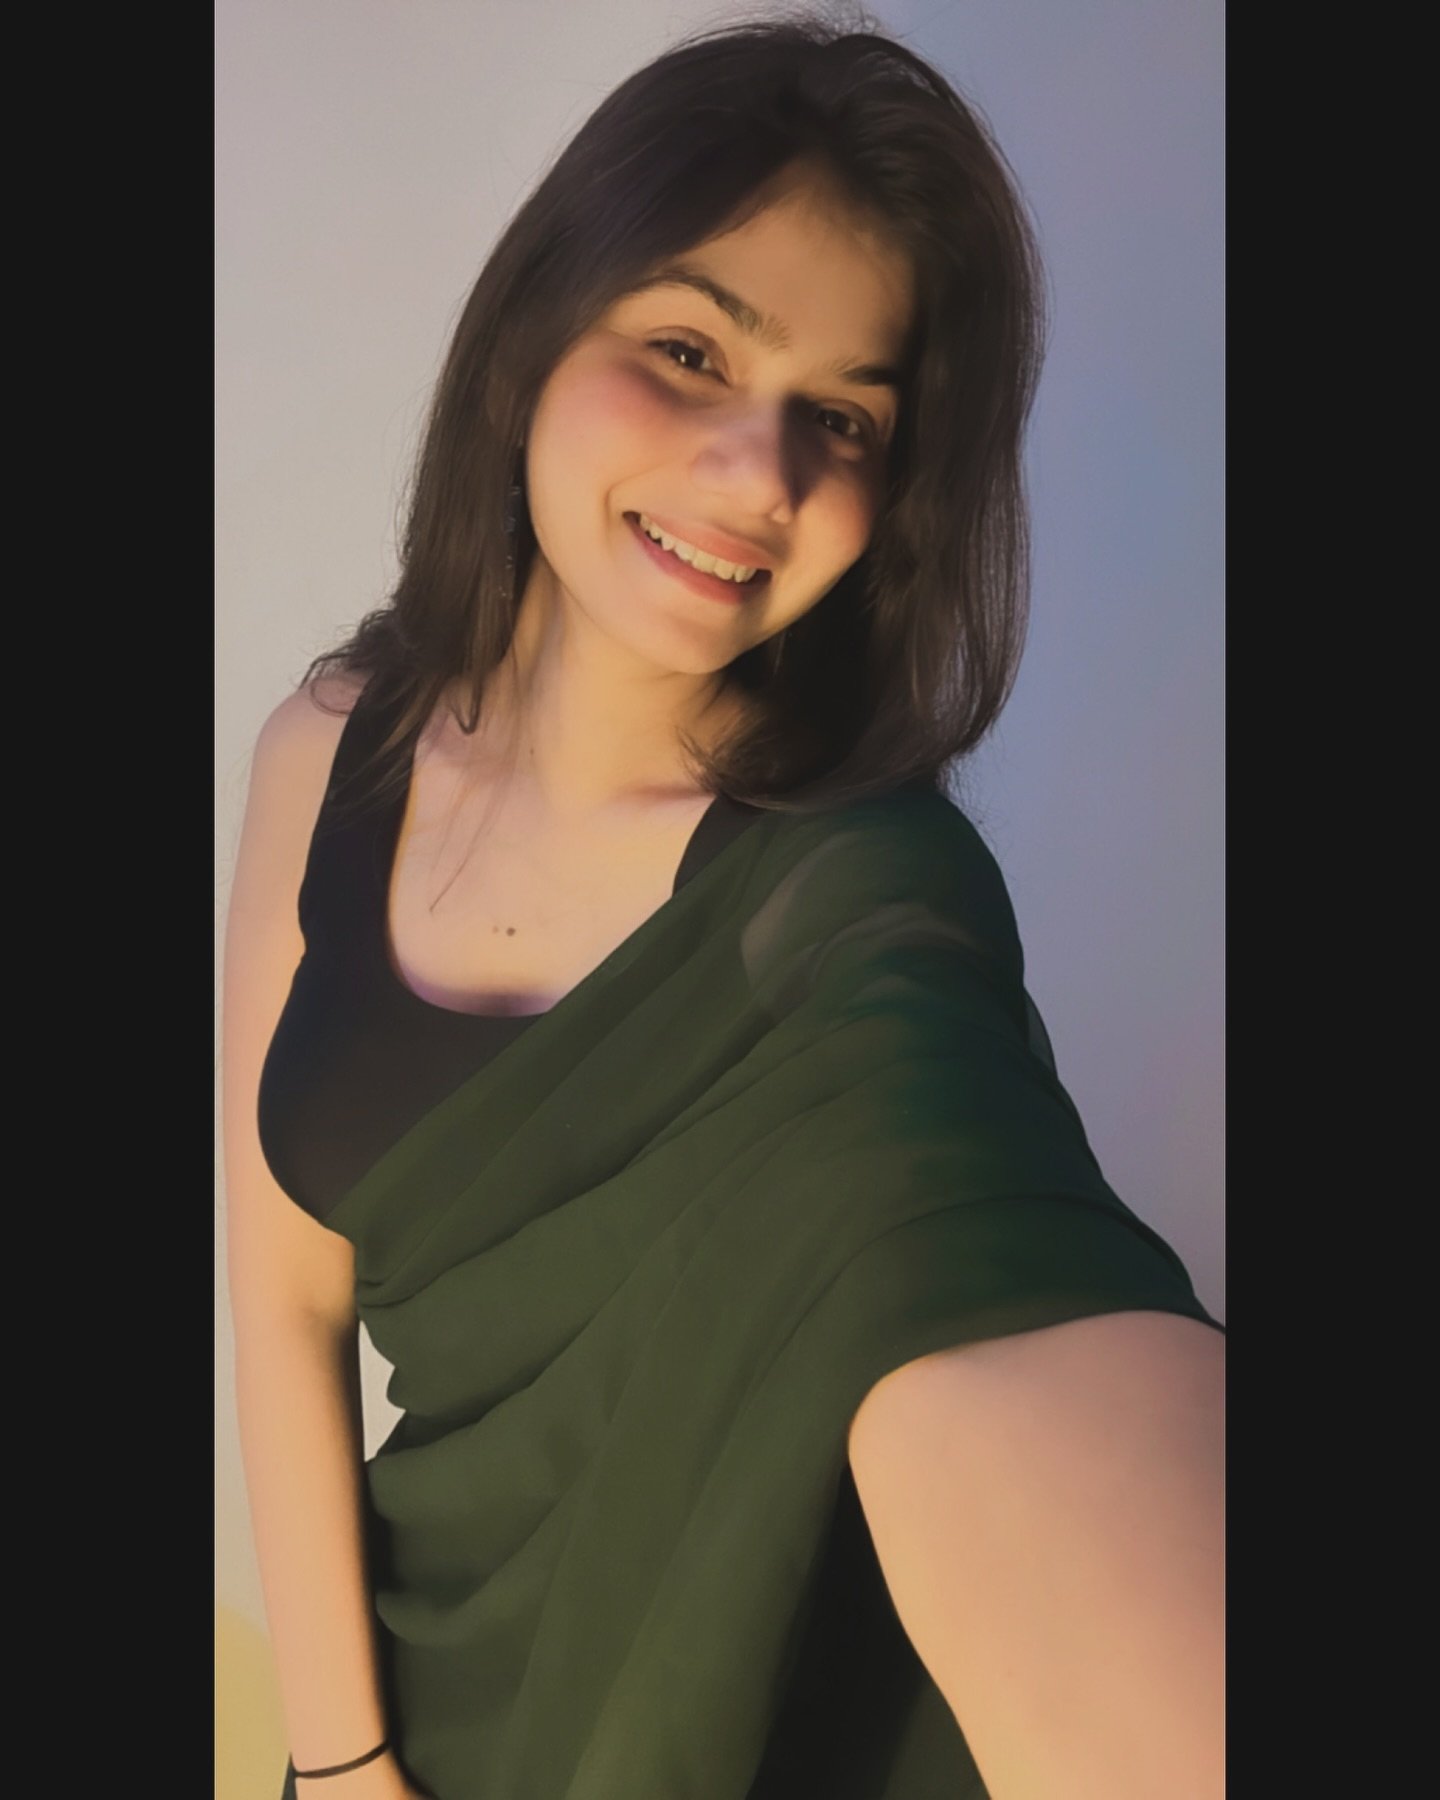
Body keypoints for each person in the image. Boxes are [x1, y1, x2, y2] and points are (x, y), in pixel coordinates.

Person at [222, 12, 1224, 1799]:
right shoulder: (328, 754)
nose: (765, 477)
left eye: (843, 418)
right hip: (417, 1707)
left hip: (699, 1734)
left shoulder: (853, 904)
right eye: (690, 351)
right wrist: (339, 1764)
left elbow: (995, 1283)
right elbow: (287, 1304)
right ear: (535, 335)